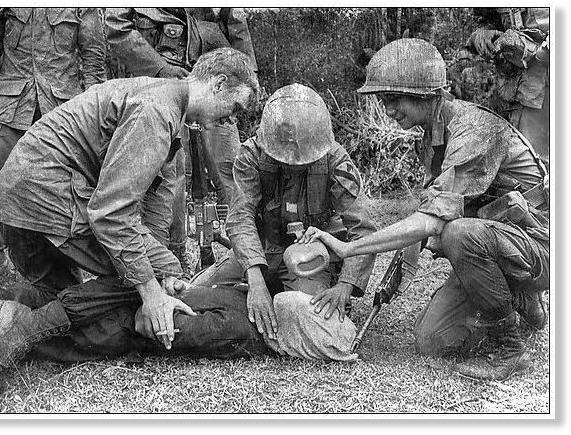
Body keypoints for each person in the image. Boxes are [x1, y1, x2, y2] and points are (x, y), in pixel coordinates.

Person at [0, 48, 259, 354]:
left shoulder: (164, 101)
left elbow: (144, 209)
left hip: (18, 200)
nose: (232, 119)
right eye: (235, 107)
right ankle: (19, 330)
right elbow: (110, 214)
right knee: (138, 275)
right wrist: (151, 292)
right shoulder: (156, 111)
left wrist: (165, 271)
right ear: (219, 84)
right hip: (41, 197)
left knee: (58, 304)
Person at [299, 38, 549, 381]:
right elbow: (426, 212)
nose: (388, 110)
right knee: (433, 340)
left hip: (542, 244)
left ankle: (508, 345)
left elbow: (433, 221)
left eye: (394, 99)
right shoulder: (432, 135)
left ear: (425, 94)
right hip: (504, 240)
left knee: (457, 233)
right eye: (383, 101)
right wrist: (395, 278)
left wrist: (348, 248)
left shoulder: (475, 129)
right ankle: (518, 296)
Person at [0, 277, 358, 404]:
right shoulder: (243, 331)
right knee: (50, 340)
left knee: (52, 306)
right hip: (125, 322)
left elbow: (198, 295)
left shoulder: (251, 296)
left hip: (124, 296)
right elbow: (161, 331)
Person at [192, 83, 378, 343]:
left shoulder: (335, 160)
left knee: (313, 320)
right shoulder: (251, 155)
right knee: (194, 296)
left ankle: (276, 294)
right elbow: (241, 218)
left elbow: (363, 229)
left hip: (309, 259)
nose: (292, 163)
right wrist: (256, 281)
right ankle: (260, 290)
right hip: (259, 250)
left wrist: (345, 286)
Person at [106, 8, 258, 273]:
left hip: (218, 78)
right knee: (168, 178)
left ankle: (246, 257)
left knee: (232, 174)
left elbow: (235, 20)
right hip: (161, 78)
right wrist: (161, 69)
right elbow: (116, 25)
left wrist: (248, 76)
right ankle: (169, 259)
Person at [0, 7, 108, 291]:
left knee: (62, 192)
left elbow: (93, 58)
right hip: (11, 108)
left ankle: (63, 268)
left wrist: (96, 109)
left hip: (61, 110)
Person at [467, 7, 550, 163]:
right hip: (520, 95)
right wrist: (482, 35)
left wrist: (527, 47)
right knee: (529, 164)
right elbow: (485, 21)